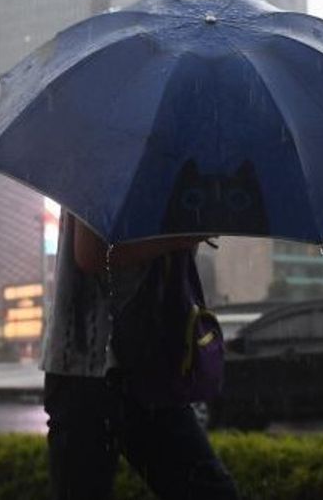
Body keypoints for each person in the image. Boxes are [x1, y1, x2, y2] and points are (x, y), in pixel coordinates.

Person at [41, 211, 239, 500]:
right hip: (85, 367)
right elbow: (91, 254)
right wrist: (181, 237)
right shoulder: (103, 165)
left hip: (145, 366)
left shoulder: (169, 176)